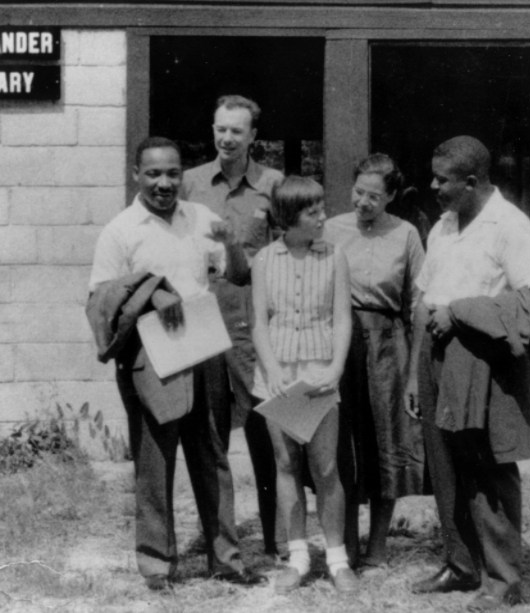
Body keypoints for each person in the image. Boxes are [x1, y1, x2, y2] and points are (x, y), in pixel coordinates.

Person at [86, 136, 254, 592]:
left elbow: (238, 275)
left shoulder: (200, 217)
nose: (164, 183)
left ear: (183, 175)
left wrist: (232, 244)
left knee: (213, 455)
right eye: (154, 173)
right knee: (155, 461)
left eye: (173, 173)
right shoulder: (121, 230)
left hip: (203, 347)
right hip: (151, 355)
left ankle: (227, 559)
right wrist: (153, 292)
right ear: (136, 175)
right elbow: (100, 298)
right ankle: (157, 565)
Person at [405, 136, 530, 612]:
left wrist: (462, 312)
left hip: (483, 361)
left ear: (470, 182)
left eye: (441, 180)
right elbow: (424, 301)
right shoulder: (443, 226)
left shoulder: (511, 226)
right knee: (445, 466)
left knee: (488, 466)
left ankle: (503, 581)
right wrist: (414, 374)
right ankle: (461, 564)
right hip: (436, 355)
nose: (432, 187)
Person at [181, 95, 284, 570]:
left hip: (251, 323)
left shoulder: (272, 185)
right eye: (220, 129)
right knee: (210, 434)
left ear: (253, 137)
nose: (226, 138)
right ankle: (219, 542)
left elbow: (285, 255)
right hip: (203, 319)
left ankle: (276, 539)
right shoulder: (189, 183)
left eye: (236, 131)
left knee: (265, 427)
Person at [251, 175, 358, 594]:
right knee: (285, 464)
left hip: (319, 375)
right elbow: (260, 323)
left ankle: (337, 560)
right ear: (290, 217)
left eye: (321, 209)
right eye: (313, 212)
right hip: (278, 377)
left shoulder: (334, 256)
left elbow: (343, 318)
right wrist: (272, 369)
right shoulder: (264, 259)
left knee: (326, 467)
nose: (322, 217)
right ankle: (297, 557)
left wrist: (335, 368)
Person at [324, 153, 425, 570]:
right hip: (340, 341)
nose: (363, 202)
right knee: (343, 441)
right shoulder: (331, 229)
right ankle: (345, 543)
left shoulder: (406, 234)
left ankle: (378, 545)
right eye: (358, 192)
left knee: (388, 440)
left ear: (391, 197)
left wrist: (414, 370)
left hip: (388, 343)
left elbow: (418, 303)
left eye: (374, 196)